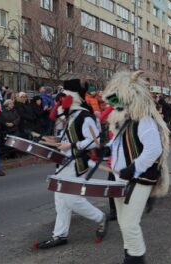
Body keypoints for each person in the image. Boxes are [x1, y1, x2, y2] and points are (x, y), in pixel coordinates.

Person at [101, 70, 170, 264]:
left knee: (130, 224)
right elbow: (117, 145)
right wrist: (104, 151)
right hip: (121, 177)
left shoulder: (145, 120)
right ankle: (129, 256)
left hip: (139, 178)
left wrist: (134, 168)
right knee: (123, 222)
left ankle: (136, 260)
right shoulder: (125, 121)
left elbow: (154, 149)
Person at [36, 79, 107, 249]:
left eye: (64, 94)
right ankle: (60, 235)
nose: (61, 98)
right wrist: (57, 140)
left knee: (71, 198)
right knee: (60, 198)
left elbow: (94, 141)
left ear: (71, 96)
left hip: (77, 162)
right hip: (64, 161)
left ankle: (101, 218)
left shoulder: (84, 116)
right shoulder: (71, 116)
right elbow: (69, 137)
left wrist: (72, 145)